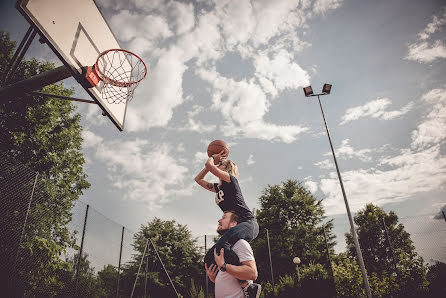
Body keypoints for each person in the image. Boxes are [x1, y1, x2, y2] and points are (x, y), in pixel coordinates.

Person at [194, 152, 259, 267]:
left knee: (223, 245)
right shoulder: (218, 187)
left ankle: (245, 278)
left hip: (248, 223)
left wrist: (213, 158)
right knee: (209, 257)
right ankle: (226, 278)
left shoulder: (230, 180)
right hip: (236, 226)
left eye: (222, 163)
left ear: (227, 168)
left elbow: (210, 166)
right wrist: (210, 165)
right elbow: (198, 179)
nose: (219, 163)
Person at [205, 211, 261, 298]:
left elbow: (252, 273)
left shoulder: (240, 244)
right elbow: (229, 278)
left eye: (224, 217)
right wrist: (214, 278)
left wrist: (223, 266)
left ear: (233, 224)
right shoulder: (223, 247)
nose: (219, 220)